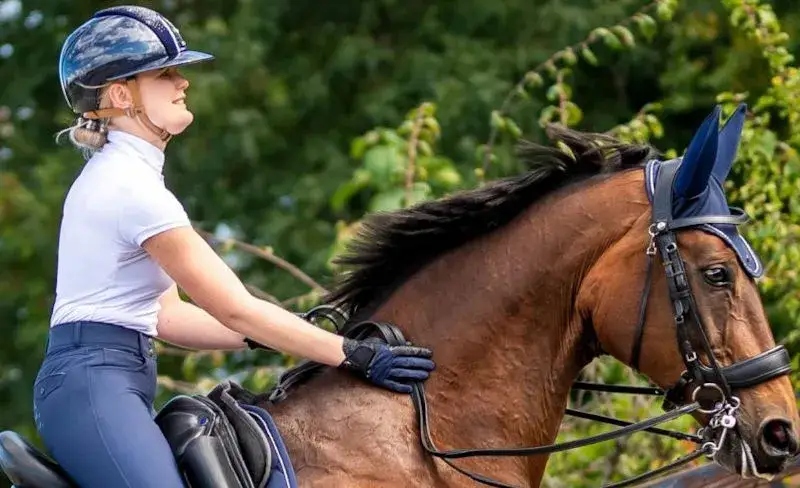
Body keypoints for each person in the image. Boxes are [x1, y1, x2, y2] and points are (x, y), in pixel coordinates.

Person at [33, 5, 435, 488]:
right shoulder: (129, 189)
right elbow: (236, 308)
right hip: (92, 383)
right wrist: (353, 354)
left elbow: (167, 316)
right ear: (122, 94)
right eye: (166, 73)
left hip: (112, 375)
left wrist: (286, 332)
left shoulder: (129, 180)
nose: (183, 82)